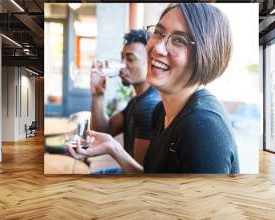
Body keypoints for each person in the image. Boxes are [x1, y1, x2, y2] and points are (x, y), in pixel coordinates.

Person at [68, 3, 240, 174]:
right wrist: (112, 146)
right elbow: (149, 178)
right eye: (158, 33)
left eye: (179, 40)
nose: (157, 48)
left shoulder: (203, 127)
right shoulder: (160, 111)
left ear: (205, 55)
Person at [89, 29, 160, 165]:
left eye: (130, 58)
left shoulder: (149, 106)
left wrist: (113, 148)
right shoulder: (137, 101)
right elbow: (104, 129)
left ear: (151, 62)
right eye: (122, 57)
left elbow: (140, 174)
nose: (122, 65)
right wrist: (97, 94)